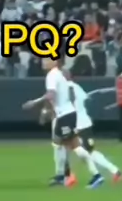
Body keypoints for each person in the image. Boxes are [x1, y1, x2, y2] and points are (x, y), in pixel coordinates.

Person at [23, 58, 104, 189]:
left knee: (74, 146)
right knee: (58, 144)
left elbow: (51, 95)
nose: (44, 62)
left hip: (65, 115)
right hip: (66, 114)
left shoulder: (52, 75)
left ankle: (96, 175)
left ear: (54, 62)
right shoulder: (58, 74)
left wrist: (34, 102)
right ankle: (61, 175)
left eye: (47, 60)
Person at [48, 72, 122, 187]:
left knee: (79, 150)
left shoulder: (65, 88)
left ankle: (101, 173)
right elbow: (85, 99)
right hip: (82, 122)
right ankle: (68, 176)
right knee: (66, 148)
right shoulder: (76, 87)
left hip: (77, 124)